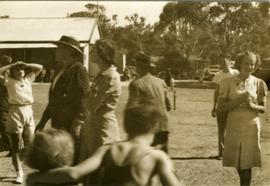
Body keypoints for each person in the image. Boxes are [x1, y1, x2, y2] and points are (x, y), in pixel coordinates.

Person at [26, 99, 181, 186]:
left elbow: (75, 173)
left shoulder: (107, 150)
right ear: (155, 127)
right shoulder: (156, 156)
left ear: (126, 125)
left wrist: (36, 177)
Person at [35, 35, 89, 164]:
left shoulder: (79, 69)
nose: (56, 51)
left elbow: (84, 96)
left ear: (69, 52)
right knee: (61, 156)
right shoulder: (60, 69)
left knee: (72, 157)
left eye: (59, 48)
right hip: (58, 122)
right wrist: (43, 121)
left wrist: (78, 122)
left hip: (72, 123)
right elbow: (54, 99)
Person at [218, 51, 268, 186]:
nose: (250, 66)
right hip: (233, 125)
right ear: (239, 63)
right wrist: (238, 100)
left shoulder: (259, 83)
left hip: (251, 125)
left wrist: (252, 105)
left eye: (252, 63)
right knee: (237, 161)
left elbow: (263, 108)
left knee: (246, 162)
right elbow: (221, 107)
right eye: (247, 63)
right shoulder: (226, 82)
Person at [0, 60, 43, 184]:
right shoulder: (9, 82)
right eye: (17, 70)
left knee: (30, 143)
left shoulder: (28, 80)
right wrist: (12, 65)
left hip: (28, 110)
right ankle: (19, 172)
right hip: (15, 111)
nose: (20, 71)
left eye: (22, 69)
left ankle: (20, 164)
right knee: (16, 146)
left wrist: (25, 64)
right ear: (12, 72)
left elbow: (39, 66)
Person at [79, 39, 121, 161]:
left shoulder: (110, 76)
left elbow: (90, 104)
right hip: (94, 125)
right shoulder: (102, 75)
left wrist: (86, 99)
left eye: (93, 51)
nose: (90, 53)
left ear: (101, 54)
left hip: (103, 128)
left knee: (102, 165)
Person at [128, 51, 171, 153]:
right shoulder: (161, 82)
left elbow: (132, 110)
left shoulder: (135, 84)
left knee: (147, 159)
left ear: (139, 66)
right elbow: (168, 105)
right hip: (163, 124)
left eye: (136, 65)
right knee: (162, 157)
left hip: (147, 127)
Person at [211, 54, 239, 159]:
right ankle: (221, 153)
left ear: (230, 62)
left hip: (233, 103)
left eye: (224, 61)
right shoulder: (218, 75)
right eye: (221, 62)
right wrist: (214, 106)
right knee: (221, 129)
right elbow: (217, 91)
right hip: (222, 103)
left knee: (233, 128)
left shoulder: (236, 73)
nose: (222, 64)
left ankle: (233, 152)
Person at [0, 55, 12, 154]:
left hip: (4, 99)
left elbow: (5, 83)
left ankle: (8, 144)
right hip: (4, 98)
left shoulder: (7, 72)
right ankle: (5, 143)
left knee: (3, 121)